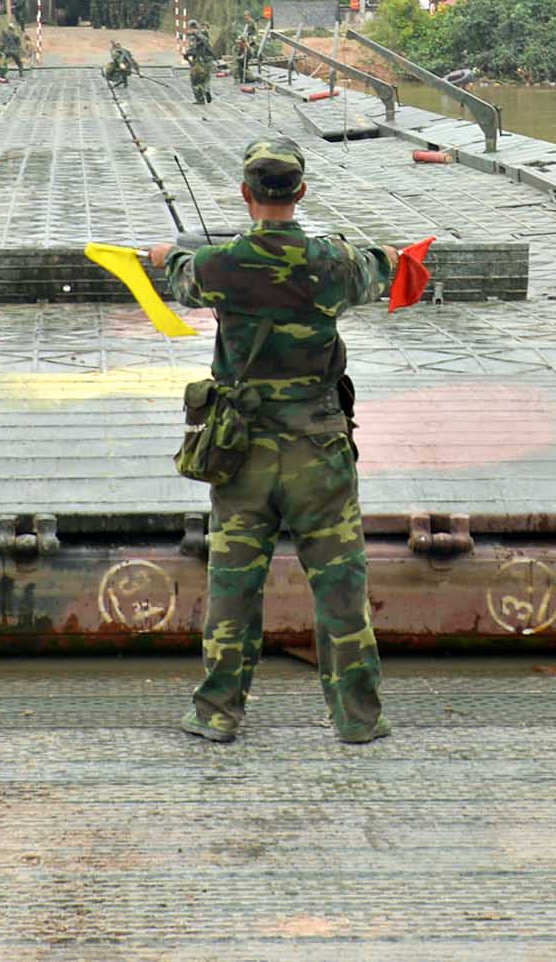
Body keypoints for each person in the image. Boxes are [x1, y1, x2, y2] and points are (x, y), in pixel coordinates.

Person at [147, 138, 399, 745]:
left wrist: (166, 255)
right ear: (301, 192)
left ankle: (217, 713)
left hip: (242, 454)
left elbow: (180, 275)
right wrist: (387, 254)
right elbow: (379, 268)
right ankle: (358, 718)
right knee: (340, 583)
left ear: (246, 194)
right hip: (319, 450)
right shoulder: (332, 263)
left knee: (234, 583)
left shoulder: (218, 265)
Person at [184, 26, 215, 104]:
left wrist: (186, 56)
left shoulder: (195, 41)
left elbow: (191, 52)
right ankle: (207, 90)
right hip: (208, 62)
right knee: (206, 80)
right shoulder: (207, 41)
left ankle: (200, 99)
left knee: (195, 82)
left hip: (199, 63)